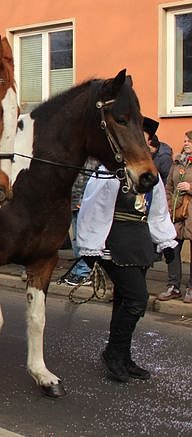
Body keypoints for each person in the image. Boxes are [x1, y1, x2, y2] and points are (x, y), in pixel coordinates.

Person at [76, 117, 177, 382]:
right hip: (115, 240)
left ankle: (123, 356)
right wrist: (90, 246)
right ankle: (113, 353)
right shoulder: (109, 170)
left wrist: (167, 241)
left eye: (144, 138)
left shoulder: (149, 171)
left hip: (140, 241)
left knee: (124, 300)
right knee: (136, 299)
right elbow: (93, 208)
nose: (141, 141)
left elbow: (157, 211)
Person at [160, 129, 192, 303]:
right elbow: (168, 186)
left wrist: (190, 187)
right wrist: (168, 203)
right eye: (185, 140)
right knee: (172, 249)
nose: (186, 143)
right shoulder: (177, 162)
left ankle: (191, 288)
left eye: (189, 141)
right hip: (176, 213)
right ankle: (173, 286)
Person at [59, 158, 100, 286]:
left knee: (82, 239)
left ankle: (83, 271)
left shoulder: (93, 159)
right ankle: (79, 270)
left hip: (82, 203)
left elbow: (87, 179)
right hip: (74, 202)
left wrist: (81, 200)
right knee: (76, 240)